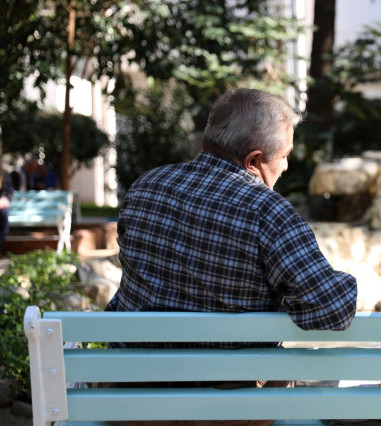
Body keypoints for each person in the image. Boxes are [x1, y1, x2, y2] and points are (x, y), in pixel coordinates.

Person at [105, 89, 358, 424]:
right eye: (284, 155)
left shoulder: (145, 188)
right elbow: (333, 311)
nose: (286, 165)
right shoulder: (269, 213)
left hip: (132, 402)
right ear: (254, 161)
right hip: (225, 415)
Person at [0, 169, 15, 252]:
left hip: (1, 206)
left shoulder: (4, 174)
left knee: (4, 213)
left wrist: (4, 200)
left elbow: (8, 193)